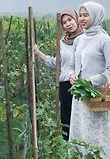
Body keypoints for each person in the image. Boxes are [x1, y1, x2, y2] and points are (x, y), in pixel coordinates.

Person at [69, 1, 110, 159]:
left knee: (96, 135)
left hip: (97, 96)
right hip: (79, 97)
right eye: (80, 15)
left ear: (96, 16)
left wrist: (90, 80)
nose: (82, 18)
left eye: (86, 15)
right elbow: (72, 64)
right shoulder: (79, 40)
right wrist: (72, 75)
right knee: (79, 132)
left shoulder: (104, 40)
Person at [34, 9, 83, 140]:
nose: (68, 24)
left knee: (82, 119)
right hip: (66, 85)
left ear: (76, 19)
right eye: (64, 22)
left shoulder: (86, 38)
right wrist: (39, 53)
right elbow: (57, 64)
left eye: (70, 20)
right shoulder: (62, 42)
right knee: (67, 120)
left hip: (83, 85)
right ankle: (69, 151)